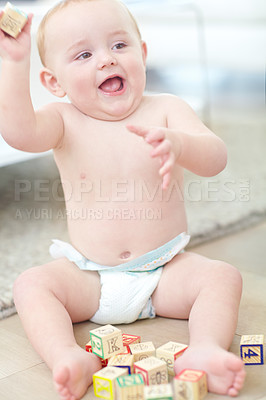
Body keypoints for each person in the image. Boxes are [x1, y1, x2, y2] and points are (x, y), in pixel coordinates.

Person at [0, 0, 246, 399]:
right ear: (54, 82)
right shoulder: (63, 119)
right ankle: (67, 356)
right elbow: (18, 132)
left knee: (221, 277)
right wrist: (13, 63)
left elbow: (215, 158)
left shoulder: (167, 109)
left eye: (119, 46)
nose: (105, 61)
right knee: (31, 285)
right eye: (84, 54)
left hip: (164, 272)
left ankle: (204, 349)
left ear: (143, 54)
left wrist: (181, 144)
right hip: (90, 277)